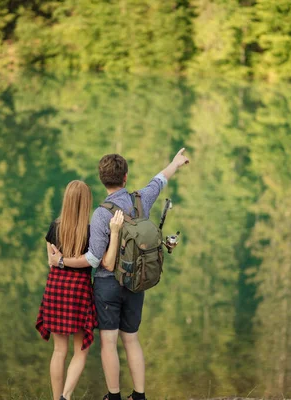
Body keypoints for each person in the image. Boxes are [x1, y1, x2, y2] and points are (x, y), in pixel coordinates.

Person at [48, 149, 190, 400]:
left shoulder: (101, 213)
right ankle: (139, 395)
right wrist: (175, 163)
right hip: (137, 281)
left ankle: (113, 396)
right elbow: (159, 180)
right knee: (132, 340)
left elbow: (93, 259)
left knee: (109, 343)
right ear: (125, 177)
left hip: (107, 286)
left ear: (102, 179)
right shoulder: (141, 200)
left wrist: (60, 260)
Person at [37, 180, 124, 400]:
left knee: (58, 351)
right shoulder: (89, 231)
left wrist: (60, 261)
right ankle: (66, 396)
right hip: (78, 292)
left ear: (66, 200)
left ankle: (57, 399)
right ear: (86, 203)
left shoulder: (54, 228)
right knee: (80, 351)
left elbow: (51, 260)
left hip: (56, 289)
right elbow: (96, 261)